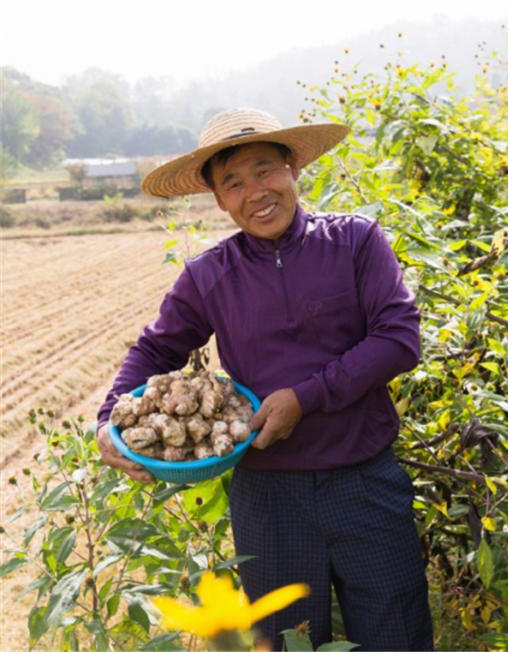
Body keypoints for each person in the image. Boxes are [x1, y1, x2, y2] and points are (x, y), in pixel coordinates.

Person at [96, 108, 434, 651]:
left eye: (265, 170)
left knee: (396, 635)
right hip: (269, 498)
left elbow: (398, 338)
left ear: (292, 168)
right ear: (219, 199)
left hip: (365, 482)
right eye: (234, 183)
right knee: (284, 642)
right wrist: (108, 420)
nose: (256, 192)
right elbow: (156, 347)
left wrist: (306, 398)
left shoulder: (355, 241)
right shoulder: (209, 275)